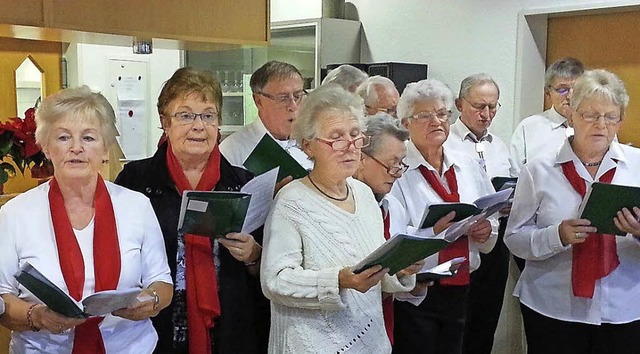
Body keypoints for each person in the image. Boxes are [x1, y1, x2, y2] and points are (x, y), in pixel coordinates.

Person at [0, 86, 173, 353]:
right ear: (46, 147)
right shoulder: (15, 213)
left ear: (105, 147)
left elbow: (162, 282)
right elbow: (2, 299)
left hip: (130, 347)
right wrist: (37, 316)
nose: (76, 148)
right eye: (64, 137)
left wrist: (150, 301)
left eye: (89, 138)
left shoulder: (136, 206)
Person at [115, 67, 268, 354]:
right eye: (185, 115)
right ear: (165, 122)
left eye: (208, 115)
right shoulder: (136, 181)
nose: (199, 126)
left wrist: (254, 257)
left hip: (231, 332)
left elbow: (268, 269)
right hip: (156, 327)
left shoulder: (244, 183)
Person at [260, 84, 415, 353]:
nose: (350, 147)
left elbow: (371, 268)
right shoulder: (291, 201)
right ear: (308, 145)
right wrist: (338, 281)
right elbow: (276, 281)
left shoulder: (365, 195)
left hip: (371, 342)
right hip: (311, 344)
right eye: (336, 137)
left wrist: (400, 269)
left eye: (355, 135)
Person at [504, 69, 640, 354]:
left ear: (620, 120)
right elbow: (514, 238)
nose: (600, 125)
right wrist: (557, 236)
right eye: (590, 115)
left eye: (610, 116)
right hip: (552, 305)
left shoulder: (637, 168)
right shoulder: (538, 170)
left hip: (623, 306)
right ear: (572, 116)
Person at [391, 79, 497, 354]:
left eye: (441, 114)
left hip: (463, 285)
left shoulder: (466, 162)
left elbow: (489, 211)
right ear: (405, 124)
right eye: (424, 115)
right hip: (417, 290)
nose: (436, 121)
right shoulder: (398, 170)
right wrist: (433, 234)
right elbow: (391, 238)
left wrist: (486, 230)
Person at [444, 73, 512, 354]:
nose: (487, 114)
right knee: (459, 320)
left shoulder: (499, 145)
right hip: (462, 238)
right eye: (479, 106)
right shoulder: (446, 142)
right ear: (460, 104)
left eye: (493, 107)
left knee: (487, 316)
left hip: (497, 237)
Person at [353, 113, 431, 345]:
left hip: (383, 326)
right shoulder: (341, 208)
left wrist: (410, 274)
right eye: (391, 163)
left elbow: (394, 284)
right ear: (361, 158)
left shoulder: (392, 206)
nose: (397, 172)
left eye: (401, 164)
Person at [219, 60, 313, 171]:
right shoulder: (233, 150)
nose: (293, 106)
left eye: (298, 96)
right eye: (283, 98)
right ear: (258, 101)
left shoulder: (313, 142)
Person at [510, 57, 584, 176]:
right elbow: (515, 177)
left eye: (576, 89)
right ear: (548, 94)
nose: (570, 96)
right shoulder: (528, 128)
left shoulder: (598, 125)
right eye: (562, 89)